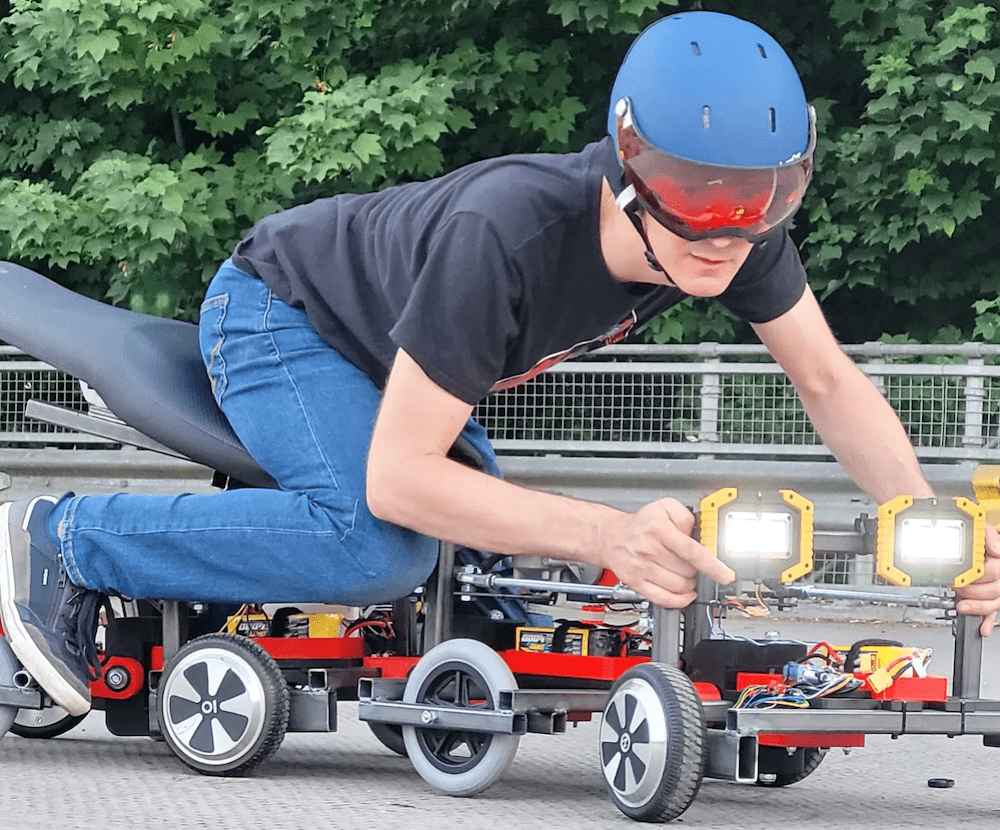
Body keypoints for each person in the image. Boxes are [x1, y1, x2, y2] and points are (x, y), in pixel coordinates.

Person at [2, 11, 999, 719]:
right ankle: (63, 532)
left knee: (489, 563)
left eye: (759, 196)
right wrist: (611, 526)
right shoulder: (509, 232)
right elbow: (401, 476)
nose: (722, 231)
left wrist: (933, 538)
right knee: (376, 542)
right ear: (627, 160)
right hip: (283, 312)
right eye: (693, 194)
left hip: (391, 356)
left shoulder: (738, 234)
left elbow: (826, 381)